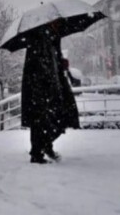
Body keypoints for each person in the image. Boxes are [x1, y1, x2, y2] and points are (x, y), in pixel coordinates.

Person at [20, 29, 80, 164]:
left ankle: (45, 147)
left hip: (52, 85)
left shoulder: (53, 37)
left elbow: (52, 60)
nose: (59, 24)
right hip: (41, 87)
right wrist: (52, 71)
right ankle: (38, 153)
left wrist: (61, 63)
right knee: (41, 119)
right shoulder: (38, 37)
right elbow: (39, 64)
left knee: (57, 116)